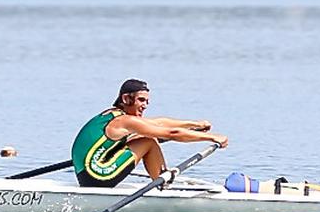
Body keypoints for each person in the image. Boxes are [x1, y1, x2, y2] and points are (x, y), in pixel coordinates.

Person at [71, 79, 228, 188]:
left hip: (86, 174)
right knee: (149, 141)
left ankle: (161, 180)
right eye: (141, 100)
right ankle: (163, 185)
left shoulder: (113, 115)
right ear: (126, 99)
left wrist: (195, 124)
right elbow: (172, 133)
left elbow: (159, 123)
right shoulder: (124, 121)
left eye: (147, 101)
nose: (145, 105)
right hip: (98, 176)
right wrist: (212, 137)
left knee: (142, 136)